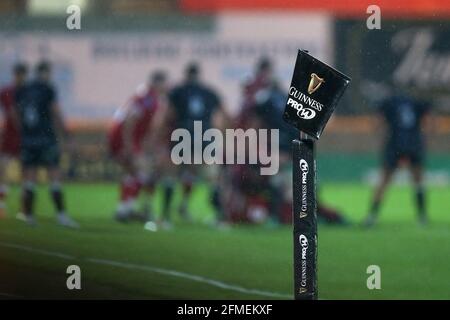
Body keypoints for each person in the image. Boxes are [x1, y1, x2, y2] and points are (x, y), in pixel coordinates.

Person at [14, 61, 78, 227]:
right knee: (54, 177)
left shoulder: (23, 89)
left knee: (30, 179)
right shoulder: (47, 89)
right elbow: (56, 112)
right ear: (47, 72)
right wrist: (67, 136)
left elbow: (16, 115)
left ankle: (28, 217)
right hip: (46, 139)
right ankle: (62, 216)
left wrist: (25, 133)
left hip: (28, 140)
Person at [166, 62, 229, 226]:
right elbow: (224, 114)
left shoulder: (177, 91)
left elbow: (166, 115)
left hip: (182, 135)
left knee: (173, 175)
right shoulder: (209, 92)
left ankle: (165, 218)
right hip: (205, 136)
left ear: (186, 74)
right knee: (212, 178)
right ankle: (219, 218)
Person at [363, 88, 431, 227]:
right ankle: (422, 216)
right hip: (413, 142)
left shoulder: (389, 102)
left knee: (385, 180)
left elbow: (377, 122)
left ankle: (372, 216)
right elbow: (429, 121)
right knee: (417, 180)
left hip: (395, 143)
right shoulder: (416, 101)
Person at [108, 71, 168, 222]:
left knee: (133, 174)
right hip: (124, 140)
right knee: (143, 172)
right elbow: (130, 121)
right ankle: (128, 209)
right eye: (164, 83)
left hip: (124, 139)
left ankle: (124, 209)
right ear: (158, 83)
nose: (167, 86)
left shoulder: (146, 96)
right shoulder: (147, 99)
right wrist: (128, 145)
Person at [0, 62, 28, 218]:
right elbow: (11, 113)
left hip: (24, 138)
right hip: (11, 136)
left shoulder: (29, 92)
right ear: (15, 75)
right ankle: (1, 206)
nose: (21, 78)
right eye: (19, 75)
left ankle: (24, 209)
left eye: (22, 75)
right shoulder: (7, 92)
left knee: (25, 172)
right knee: (2, 170)